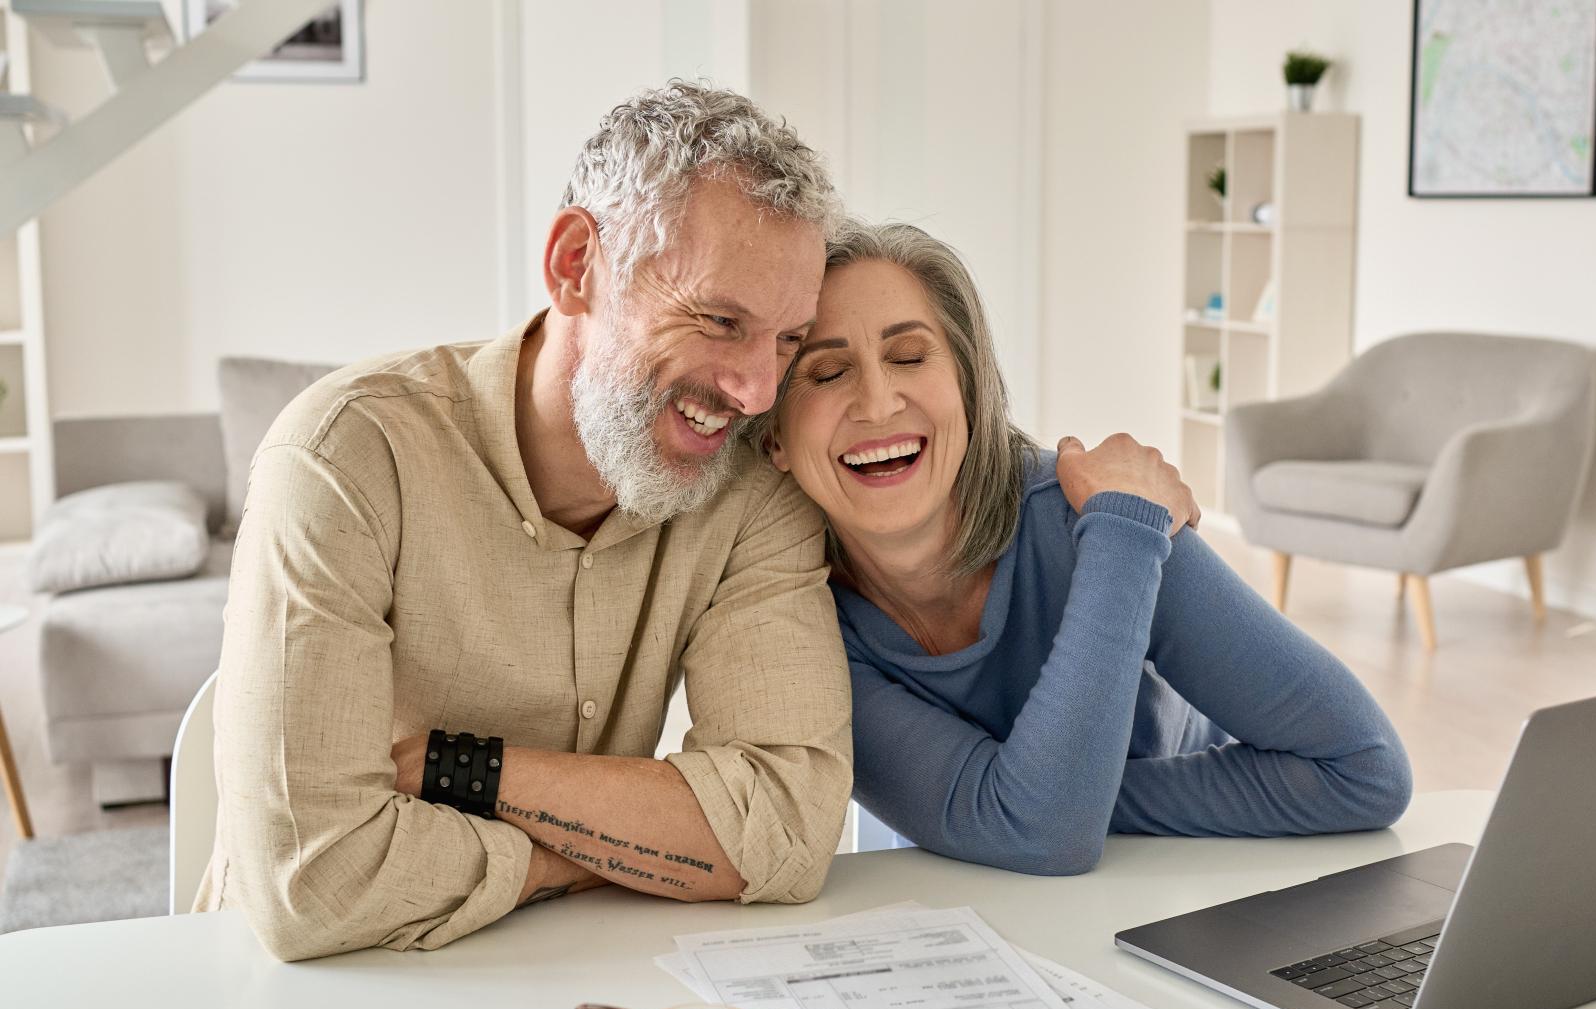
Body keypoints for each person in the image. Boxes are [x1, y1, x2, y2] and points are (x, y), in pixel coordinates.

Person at [201, 83, 855, 961]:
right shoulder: (345, 455)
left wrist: (457, 769)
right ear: (576, 264)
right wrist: (607, 854)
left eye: (786, 340)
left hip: (561, 984)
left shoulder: (752, 494)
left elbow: (787, 826)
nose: (756, 391)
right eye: (719, 320)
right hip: (305, 996)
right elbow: (314, 882)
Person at [766, 222, 1413, 875]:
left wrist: (1047, 799)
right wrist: (1040, 803)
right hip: (969, 907)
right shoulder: (795, 625)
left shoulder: (1105, 520)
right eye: (826, 372)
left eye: (909, 356)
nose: (878, 403)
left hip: (1183, 883)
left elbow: (1365, 769)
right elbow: (1038, 830)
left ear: (967, 387)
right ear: (774, 441)